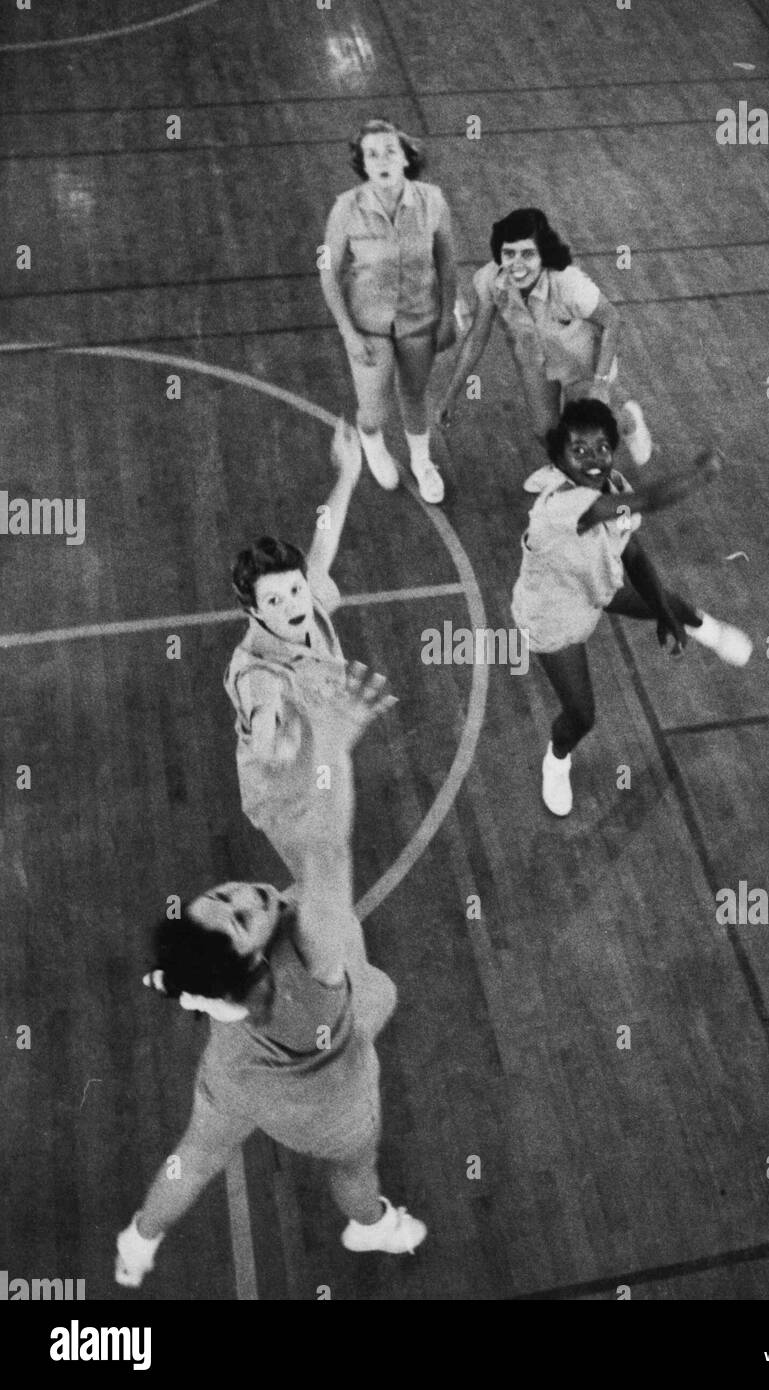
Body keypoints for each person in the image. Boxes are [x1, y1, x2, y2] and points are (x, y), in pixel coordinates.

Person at [114, 725, 427, 1288]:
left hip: (233, 1080)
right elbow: (328, 852)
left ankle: (137, 1240)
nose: (247, 897)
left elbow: (193, 978)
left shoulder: (214, 983)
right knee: (355, 1168)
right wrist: (334, 741)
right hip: (323, 1108)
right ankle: (371, 1226)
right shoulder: (310, 963)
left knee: (194, 1157)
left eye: (220, 897)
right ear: (249, 963)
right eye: (240, 920)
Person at [224, 419, 391, 1030]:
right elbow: (266, 740)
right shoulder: (257, 674)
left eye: (293, 592)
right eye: (276, 601)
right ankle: (338, 1001)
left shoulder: (306, 601)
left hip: (317, 765)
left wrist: (346, 475)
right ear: (251, 609)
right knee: (326, 888)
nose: (293, 604)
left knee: (330, 874)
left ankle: (335, 965)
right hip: (284, 792)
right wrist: (291, 737)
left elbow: (323, 543)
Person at [510, 398, 753, 816]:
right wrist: (702, 473)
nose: (592, 459)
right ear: (558, 458)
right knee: (582, 716)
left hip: (596, 582)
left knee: (668, 601)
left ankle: (702, 627)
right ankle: (557, 760)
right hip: (553, 616)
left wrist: (662, 613)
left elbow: (633, 554)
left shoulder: (614, 486)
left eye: (602, 448)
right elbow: (650, 500)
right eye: (579, 451)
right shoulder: (559, 505)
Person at [437, 207, 653, 492]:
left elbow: (612, 320)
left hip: (583, 361)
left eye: (527, 254)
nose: (517, 264)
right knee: (545, 431)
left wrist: (600, 385)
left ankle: (628, 423)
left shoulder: (569, 284)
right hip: (535, 360)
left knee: (586, 429)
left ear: (544, 254)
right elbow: (477, 337)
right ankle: (561, 470)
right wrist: (451, 394)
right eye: (508, 253)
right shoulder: (489, 280)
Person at [320, 117, 458, 505]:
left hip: (420, 319)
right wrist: (348, 332)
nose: (381, 160)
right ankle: (372, 443)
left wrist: (447, 317)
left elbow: (447, 264)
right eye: (372, 154)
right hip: (368, 327)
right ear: (362, 163)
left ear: (405, 157)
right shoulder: (346, 209)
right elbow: (328, 273)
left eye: (389, 151)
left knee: (414, 395)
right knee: (372, 410)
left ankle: (422, 460)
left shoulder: (433, 200)